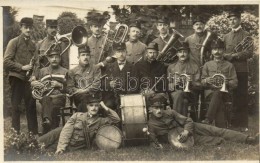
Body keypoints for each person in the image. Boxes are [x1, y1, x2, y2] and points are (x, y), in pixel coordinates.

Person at [147, 94, 258, 149]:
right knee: (216, 140)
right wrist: (156, 144)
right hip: (183, 139)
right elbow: (153, 140)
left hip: (191, 128)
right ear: (150, 109)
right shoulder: (151, 125)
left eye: (160, 107)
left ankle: (249, 139)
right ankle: (228, 142)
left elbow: (188, 120)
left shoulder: (170, 112)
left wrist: (186, 131)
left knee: (217, 130)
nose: (159, 110)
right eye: (155, 108)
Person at [37, 93, 120, 154]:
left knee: (43, 151)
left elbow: (116, 119)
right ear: (87, 107)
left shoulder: (101, 121)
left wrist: (104, 106)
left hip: (72, 146)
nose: (94, 108)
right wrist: (61, 147)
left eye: (96, 106)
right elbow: (66, 131)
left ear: (99, 107)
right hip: (62, 138)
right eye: (91, 105)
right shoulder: (77, 116)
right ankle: (32, 143)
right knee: (36, 144)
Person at [4, 17, 38, 134]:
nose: (28, 30)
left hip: (29, 79)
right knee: (16, 107)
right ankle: (15, 136)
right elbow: (6, 61)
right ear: (21, 28)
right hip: (16, 78)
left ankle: (33, 136)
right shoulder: (13, 42)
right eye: (26, 27)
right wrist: (22, 67)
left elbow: (36, 63)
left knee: (31, 106)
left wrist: (34, 75)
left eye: (30, 28)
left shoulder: (34, 44)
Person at [223, 11, 253, 131]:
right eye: (230, 19)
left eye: (234, 19)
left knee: (242, 96)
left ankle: (243, 124)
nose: (232, 21)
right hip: (229, 70)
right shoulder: (225, 36)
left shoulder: (247, 35)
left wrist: (234, 56)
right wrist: (226, 55)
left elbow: (249, 53)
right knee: (230, 97)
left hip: (241, 70)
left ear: (239, 20)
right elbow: (222, 51)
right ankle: (231, 123)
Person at [201, 39, 238, 128]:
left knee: (218, 93)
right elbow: (202, 82)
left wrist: (228, 82)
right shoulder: (207, 65)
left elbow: (235, 83)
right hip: (210, 92)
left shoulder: (229, 65)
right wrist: (206, 80)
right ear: (211, 51)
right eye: (214, 49)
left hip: (226, 94)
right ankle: (221, 128)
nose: (217, 51)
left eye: (220, 49)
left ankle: (208, 119)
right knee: (218, 99)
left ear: (224, 50)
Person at [31, 46, 68, 134]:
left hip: (59, 97)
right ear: (48, 58)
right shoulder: (42, 71)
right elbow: (33, 82)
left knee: (50, 103)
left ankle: (47, 125)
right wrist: (34, 83)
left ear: (60, 58)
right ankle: (49, 123)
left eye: (56, 57)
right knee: (46, 99)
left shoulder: (66, 71)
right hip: (45, 98)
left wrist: (60, 85)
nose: (54, 59)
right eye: (52, 57)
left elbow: (69, 89)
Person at [167, 42, 201, 117]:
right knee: (184, 101)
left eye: (185, 52)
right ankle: (183, 122)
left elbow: (199, 85)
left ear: (188, 53)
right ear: (177, 54)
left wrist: (191, 82)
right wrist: (174, 84)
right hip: (175, 93)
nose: (182, 54)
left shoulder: (195, 66)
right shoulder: (171, 67)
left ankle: (175, 119)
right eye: (180, 52)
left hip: (190, 93)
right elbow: (168, 85)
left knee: (180, 95)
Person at [102, 42, 138, 110]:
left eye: (123, 51)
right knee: (108, 106)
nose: (121, 54)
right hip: (113, 97)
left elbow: (135, 85)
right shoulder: (109, 67)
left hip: (127, 97)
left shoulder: (133, 67)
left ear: (126, 52)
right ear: (115, 53)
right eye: (118, 52)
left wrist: (126, 96)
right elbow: (103, 83)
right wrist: (109, 84)